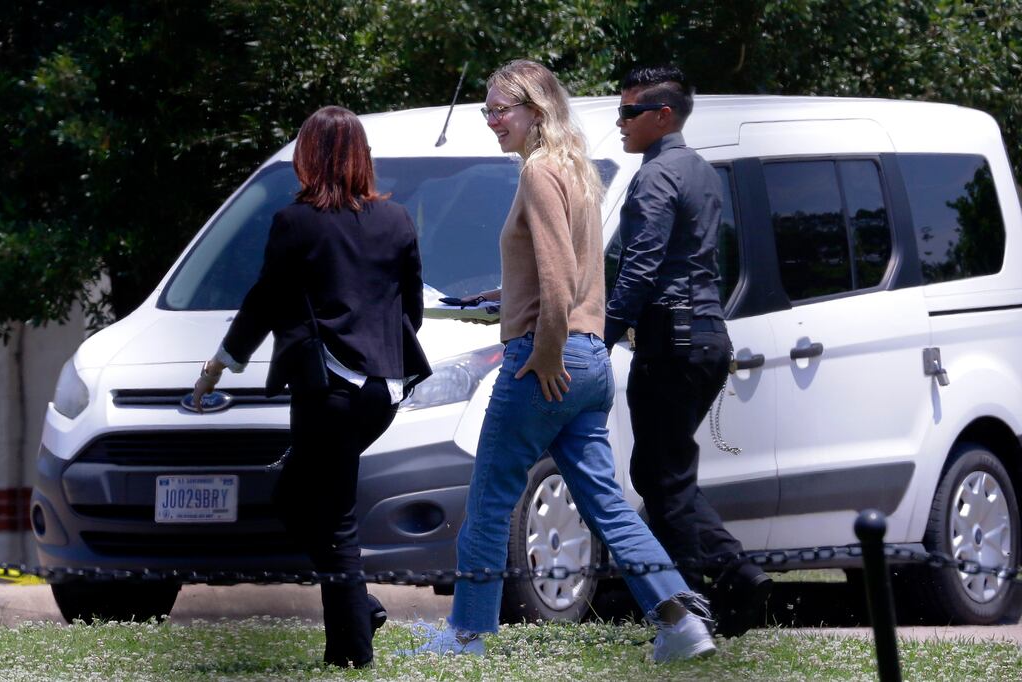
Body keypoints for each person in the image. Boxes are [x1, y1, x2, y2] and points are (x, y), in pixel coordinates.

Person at [406, 59, 715, 663]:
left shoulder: (538, 172)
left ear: (536, 110)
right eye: (487, 110)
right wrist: (501, 298)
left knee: (491, 497)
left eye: (501, 109)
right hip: (592, 357)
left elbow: (558, 279)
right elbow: (572, 273)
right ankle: (681, 621)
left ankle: (467, 635)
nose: (492, 120)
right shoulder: (576, 171)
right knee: (606, 503)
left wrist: (544, 353)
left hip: (549, 358)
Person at [192, 105, 431, 668]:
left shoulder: (294, 222)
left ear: (309, 157)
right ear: (360, 157)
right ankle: (358, 606)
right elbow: (412, 308)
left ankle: (351, 650)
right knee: (303, 500)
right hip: (380, 394)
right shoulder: (395, 220)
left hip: (326, 390)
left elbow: (264, 301)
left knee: (329, 513)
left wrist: (219, 364)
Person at [603, 66, 773, 638]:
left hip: (670, 343)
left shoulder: (655, 178)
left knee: (660, 476)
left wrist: (600, 335)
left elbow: (641, 267)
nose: (620, 121)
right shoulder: (701, 170)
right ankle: (731, 578)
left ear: (663, 116)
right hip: (706, 338)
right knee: (665, 473)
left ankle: (701, 604)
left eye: (629, 112)